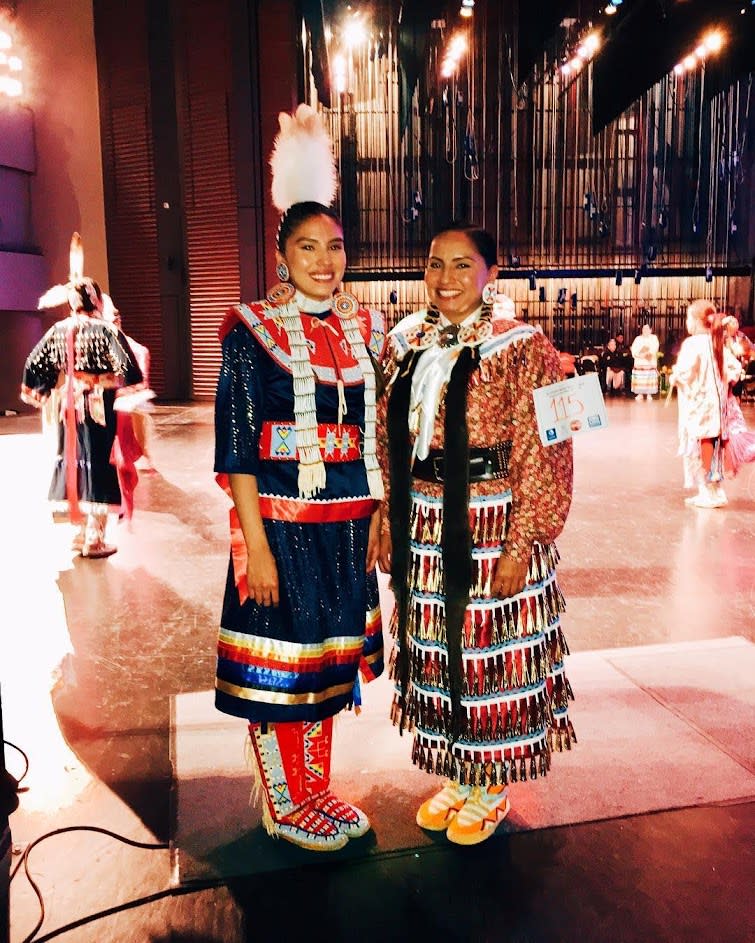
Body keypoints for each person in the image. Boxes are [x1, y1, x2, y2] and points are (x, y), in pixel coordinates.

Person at [213, 104, 385, 852]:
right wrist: (253, 544)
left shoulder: (362, 330)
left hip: (346, 526)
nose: (324, 259)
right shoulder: (251, 332)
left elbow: (377, 436)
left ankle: (315, 787)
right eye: (307, 246)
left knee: (325, 664)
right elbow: (237, 450)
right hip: (280, 528)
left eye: (335, 246)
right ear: (282, 253)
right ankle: (281, 800)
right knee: (280, 665)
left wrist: (378, 515)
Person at [377, 222, 575, 846]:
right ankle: (461, 771)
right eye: (436, 265)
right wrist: (389, 510)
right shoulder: (406, 341)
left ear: (491, 273)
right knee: (438, 643)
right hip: (426, 520)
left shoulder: (524, 346)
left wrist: (524, 542)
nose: (446, 279)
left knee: (490, 644)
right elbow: (388, 436)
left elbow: (552, 447)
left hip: (493, 521)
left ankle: (491, 781)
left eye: (464, 265)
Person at [21, 233, 144, 557]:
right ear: (97, 301)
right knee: (99, 463)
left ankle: (77, 533)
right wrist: (122, 385)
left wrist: (44, 391)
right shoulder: (106, 330)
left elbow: (36, 362)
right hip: (98, 403)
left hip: (70, 404)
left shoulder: (58, 330)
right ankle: (94, 537)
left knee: (73, 460)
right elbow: (127, 366)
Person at [670, 300, 741, 508]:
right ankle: (716, 491)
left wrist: (675, 377)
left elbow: (684, 372)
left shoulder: (693, 344)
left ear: (695, 321)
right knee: (714, 446)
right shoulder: (716, 341)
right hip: (718, 409)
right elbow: (734, 369)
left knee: (700, 447)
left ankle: (706, 492)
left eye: (688, 318)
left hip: (699, 407)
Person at [721, 316, 755, 477]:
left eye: (736, 322)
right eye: (732, 323)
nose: (735, 325)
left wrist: (744, 353)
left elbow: (750, 348)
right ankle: (729, 464)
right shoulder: (721, 339)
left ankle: (732, 462)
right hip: (723, 384)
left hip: (733, 377)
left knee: (733, 425)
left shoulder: (741, 337)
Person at [630, 323, 659, 400]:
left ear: (650, 330)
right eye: (643, 329)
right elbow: (634, 349)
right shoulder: (638, 338)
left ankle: (649, 394)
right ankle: (640, 394)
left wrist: (647, 353)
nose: (645, 330)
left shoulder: (654, 338)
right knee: (640, 379)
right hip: (640, 361)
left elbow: (655, 348)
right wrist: (639, 354)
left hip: (649, 361)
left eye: (646, 329)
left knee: (649, 378)